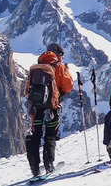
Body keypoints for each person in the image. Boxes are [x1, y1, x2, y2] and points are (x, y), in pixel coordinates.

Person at [24, 43, 74, 176]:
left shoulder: (35, 68)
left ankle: (34, 168)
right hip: (52, 108)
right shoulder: (59, 67)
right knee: (50, 135)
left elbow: (26, 91)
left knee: (35, 136)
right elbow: (68, 87)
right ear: (58, 55)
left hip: (36, 109)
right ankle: (48, 164)